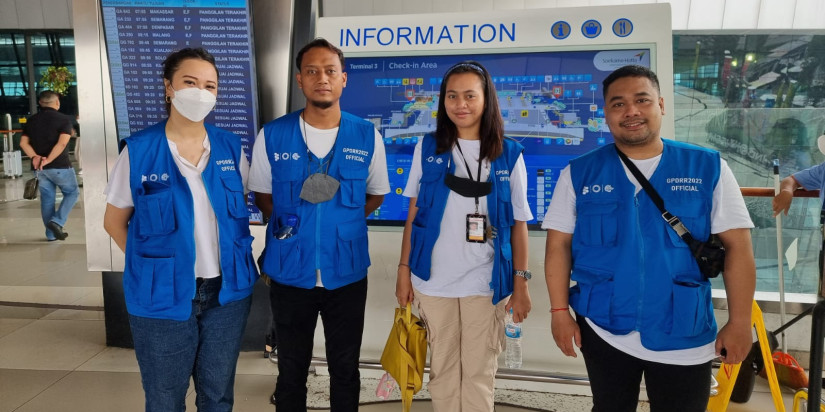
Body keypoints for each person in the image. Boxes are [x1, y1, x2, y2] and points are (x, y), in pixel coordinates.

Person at [543, 65, 756, 412]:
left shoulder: (707, 167)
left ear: (660, 104)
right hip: (603, 324)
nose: (631, 111)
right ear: (606, 114)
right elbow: (558, 246)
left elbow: (739, 249)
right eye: (618, 104)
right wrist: (558, 312)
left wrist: (740, 321)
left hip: (683, 328)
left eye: (641, 100)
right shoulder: (579, 172)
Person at [102, 48, 258, 412]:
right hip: (162, 295)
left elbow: (237, 213)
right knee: (164, 398)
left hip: (227, 293)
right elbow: (113, 222)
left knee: (217, 395)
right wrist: (151, 268)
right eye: (190, 82)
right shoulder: (140, 151)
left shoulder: (230, 148)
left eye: (210, 85)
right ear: (169, 87)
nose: (201, 92)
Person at [248, 38, 390, 411]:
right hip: (290, 272)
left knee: (345, 367)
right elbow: (263, 196)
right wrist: (299, 225)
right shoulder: (273, 134)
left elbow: (375, 195)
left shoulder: (366, 135)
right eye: (312, 71)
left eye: (330, 71)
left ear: (343, 79)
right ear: (300, 80)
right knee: (291, 368)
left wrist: (337, 224)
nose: (321, 78)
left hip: (346, 272)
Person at [396, 61, 533, 412]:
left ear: (486, 99)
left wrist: (521, 284)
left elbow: (519, 224)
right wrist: (403, 270)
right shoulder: (428, 148)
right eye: (452, 96)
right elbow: (414, 213)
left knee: (478, 372)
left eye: (470, 95)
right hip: (433, 280)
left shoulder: (509, 154)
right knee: (441, 371)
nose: (461, 104)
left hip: (485, 284)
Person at [19, 90, 79, 241]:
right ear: (57, 102)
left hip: (39, 169)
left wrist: (35, 157)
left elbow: (23, 143)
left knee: (47, 199)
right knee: (72, 193)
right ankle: (57, 222)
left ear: (40, 103)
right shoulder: (63, 119)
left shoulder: (31, 120)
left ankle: (51, 235)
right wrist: (49, 159)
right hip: (60, 167)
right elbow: (62, 143)